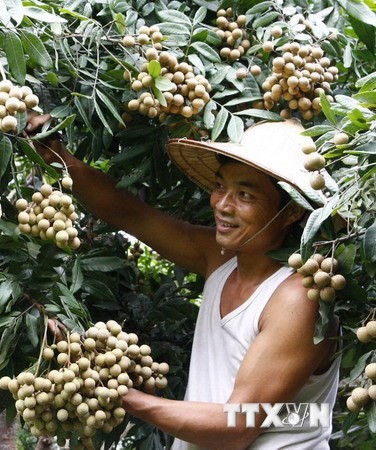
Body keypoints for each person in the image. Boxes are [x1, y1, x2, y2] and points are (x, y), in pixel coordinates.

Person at [27, 115, 340, 449]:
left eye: (245, 194)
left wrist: (119, 391)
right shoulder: (221, 258)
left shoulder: (298, 299)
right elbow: (131, 214)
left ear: (292, 211)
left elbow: (237, 425)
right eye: (221, 186)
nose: (222, 204)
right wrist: (60, 157)